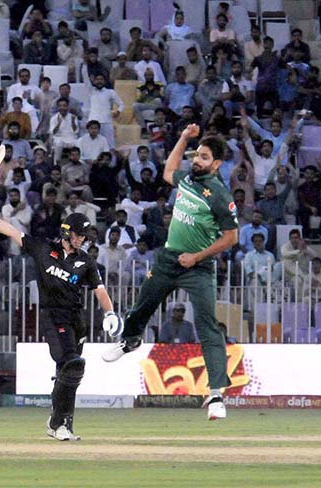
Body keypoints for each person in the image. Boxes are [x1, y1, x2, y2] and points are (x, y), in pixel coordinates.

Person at [102, 124, 238, 421]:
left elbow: (231, 238)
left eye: (203, 157)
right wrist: (182, 137)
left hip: (198, 268)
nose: (197, 160)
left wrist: (198, 256)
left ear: (216, 164)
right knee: (142, 305)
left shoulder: (219, 194)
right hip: (168, 260)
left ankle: (216, 394)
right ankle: (130, 340)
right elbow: (167, 172)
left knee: (207, 325)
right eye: (197, 155)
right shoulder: (188, 179)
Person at [0, 201, 120, 441]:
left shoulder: (86, 261)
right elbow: (11, 231)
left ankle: (61, 425)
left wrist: (109, 312)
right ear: (67, 232)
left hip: (76, 319)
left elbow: (99, 289)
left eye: (84, 236)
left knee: (69, 373)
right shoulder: (42, 249)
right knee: (72, 364)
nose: (82, 240)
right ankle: (57, 423)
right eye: (79, 235)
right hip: (53, 315)